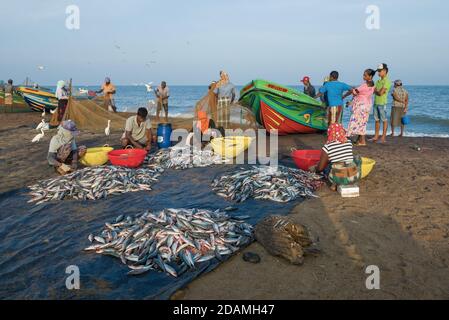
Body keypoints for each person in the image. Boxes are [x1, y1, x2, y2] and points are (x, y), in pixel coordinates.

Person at [311, 123, 361, 190]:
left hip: (338, 178)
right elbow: (343, 155)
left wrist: (315, 169)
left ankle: (335, 184)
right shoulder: (349, 142)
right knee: (355, 159)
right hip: (355, 177)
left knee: (327, 167)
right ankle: (349, 178)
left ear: (330, 133)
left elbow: (320, 168)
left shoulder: (328, 146)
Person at [345, 69, 376, 146]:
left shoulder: (364, 85)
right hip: (367, 106)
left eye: (365, 75)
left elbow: (354, 92)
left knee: (354, 121)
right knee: (362, 123)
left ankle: (360, 141)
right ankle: (361, 141)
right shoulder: (373, 85)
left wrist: (344, 96)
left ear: (370, 76)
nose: (363, 76)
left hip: (361, 106)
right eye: (363, 75)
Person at [370, 63, 392, 143]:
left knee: (384, 120)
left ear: (385, 71)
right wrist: (376, 91)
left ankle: (383, 137)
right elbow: (373, 91)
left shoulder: (387, 81)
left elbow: (381, 93)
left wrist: (376, 91)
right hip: (376, 102)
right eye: (378, 71)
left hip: (382, 103)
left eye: (380, 71)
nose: (378, 73)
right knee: (376, 120)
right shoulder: (378, 81)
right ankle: (376, 136)